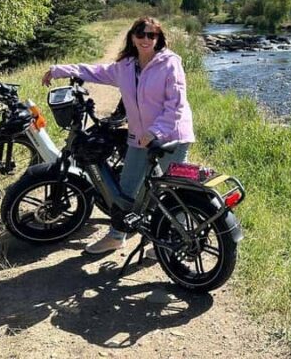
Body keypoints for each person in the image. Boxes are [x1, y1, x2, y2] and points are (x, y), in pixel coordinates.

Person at [41, 16, 195, 254]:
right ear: (132, 37)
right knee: (127, 188)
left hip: (172, 136)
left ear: (158, 39)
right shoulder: (125, 67)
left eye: (151, 35)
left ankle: (173, 241)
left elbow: (176, 106)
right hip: (139, 137)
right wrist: (59, 70)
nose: (145, 39)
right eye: (141, 34)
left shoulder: (170, 63)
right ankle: (116, 236)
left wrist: (155, 132)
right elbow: (94, 71)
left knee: (171, 189)